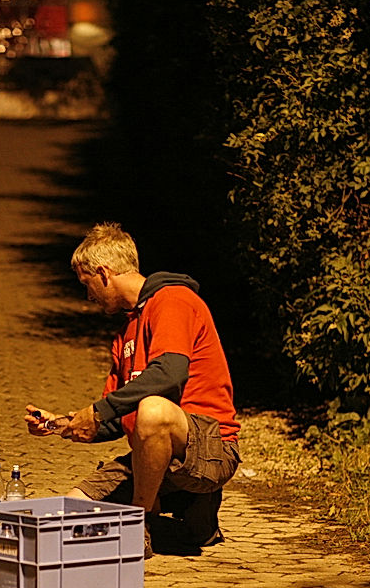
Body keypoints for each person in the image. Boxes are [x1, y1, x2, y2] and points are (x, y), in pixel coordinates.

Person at [25, 223, 240, 557]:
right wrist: (64, 423)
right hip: (152, 457)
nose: (88, 296)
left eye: (87, 284)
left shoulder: (173, 300)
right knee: (73, 507)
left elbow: (169, 373)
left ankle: (140, 522)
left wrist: (98, 411)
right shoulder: (125, 331)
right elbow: (116, 417)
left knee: (153, 410)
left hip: (210, 449)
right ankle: (191, 508)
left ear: (104, 272)